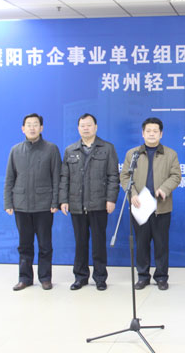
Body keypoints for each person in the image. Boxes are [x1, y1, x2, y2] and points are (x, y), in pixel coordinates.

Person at [59, 113, 120, 291]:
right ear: (78, 128)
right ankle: (80, 277)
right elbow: (64, 178)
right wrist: (63, 200)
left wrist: (111, 199)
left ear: (96, 127)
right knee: (80, 243)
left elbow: (113, 176)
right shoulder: (70, 150)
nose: (86, 128)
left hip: (99, 204)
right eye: (82, 125)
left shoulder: (107, 148)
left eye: (89, 125)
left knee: (99, 243)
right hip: (76, 204)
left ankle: (100, 277)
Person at [120, 118, 181, 291]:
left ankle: (161, 277)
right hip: (140, 206)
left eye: (155, 131)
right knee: (141, 243)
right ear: (143, 133)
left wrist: (164, 189)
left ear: (161, 134)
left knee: (161, 244)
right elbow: (124, 176)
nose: (152, 134)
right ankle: (143, 276)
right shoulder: (133, 154)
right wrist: (132, 194)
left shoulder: (170, 154)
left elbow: (176, 176)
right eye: (148, 131)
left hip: (161, 206)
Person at [4, 113, 61, 291]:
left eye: (35, 124)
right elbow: (9, 178)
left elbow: (57, 178)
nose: (32, 128)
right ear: (23, 129)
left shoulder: (51, 149)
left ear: (41, 128)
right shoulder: (15, 150)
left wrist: (55, 202)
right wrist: (8, 202)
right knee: (24, 245)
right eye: (28, 125)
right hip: (21, 205)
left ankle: (45, 278)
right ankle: (25, 278)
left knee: (45, 245)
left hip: (44, 205)